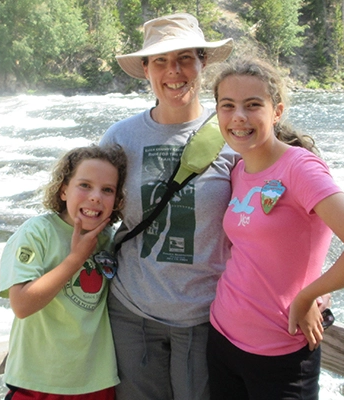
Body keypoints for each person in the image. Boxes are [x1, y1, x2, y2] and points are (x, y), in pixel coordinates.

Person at [206, 58, 344, 400]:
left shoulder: (300, 169)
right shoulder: (238, 168)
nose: (238, 117)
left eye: (253, 105)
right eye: (227, 106)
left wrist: (307, 295)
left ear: (276, 112)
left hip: (281, 350)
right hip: (222, 337)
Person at [98, 13, 237, 400]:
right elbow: (89, 209)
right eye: (160, 61)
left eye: (184, 59)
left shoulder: (232, 134)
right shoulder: (120, 137)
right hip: (131, 312)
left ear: (203, 63)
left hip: (208, 316)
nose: (173, 71)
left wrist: (311, 290)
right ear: (145, 70)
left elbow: (275, 216)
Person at [0, 144, 128, 400]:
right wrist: (76, 258)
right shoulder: (37, 232)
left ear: (118, 201)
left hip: (95, 381)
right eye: (85, 185)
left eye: (107, 190)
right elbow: (22, 304)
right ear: (63, 190)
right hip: (38, 379)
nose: (95, 197)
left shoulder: (110, 239)